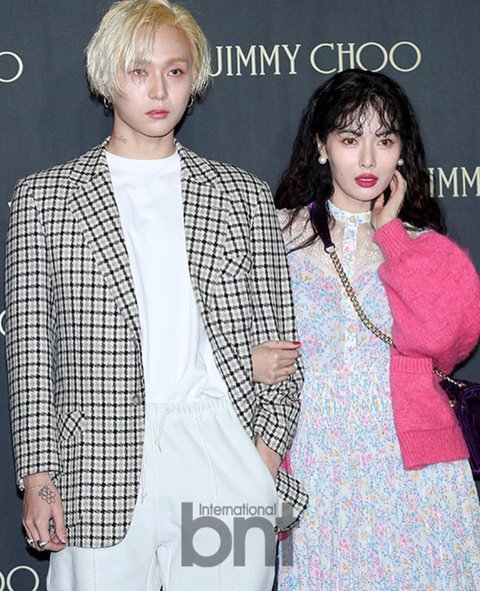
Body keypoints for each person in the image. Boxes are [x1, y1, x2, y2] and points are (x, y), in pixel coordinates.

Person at [5, 1, 306, 589]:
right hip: (96, 461)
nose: (160, 90)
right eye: (138, 71)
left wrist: (262, 457)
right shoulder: (45, 198)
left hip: (221, 451)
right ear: (107, 76)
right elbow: (31, 353)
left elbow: (282, 345)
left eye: (176, 70)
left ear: (194, 78)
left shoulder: (241, 194)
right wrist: (39, 476)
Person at [253, 69, 480, 589]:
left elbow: (445, 341)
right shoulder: (273, 234)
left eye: (386, 140)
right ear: (321, 146)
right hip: (311, 460)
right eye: (351, 139)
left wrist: (391, 237)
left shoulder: (425, 247)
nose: (369, 159)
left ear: (402, 151)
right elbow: (215, 327)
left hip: (414, 469)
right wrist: (248, 361)